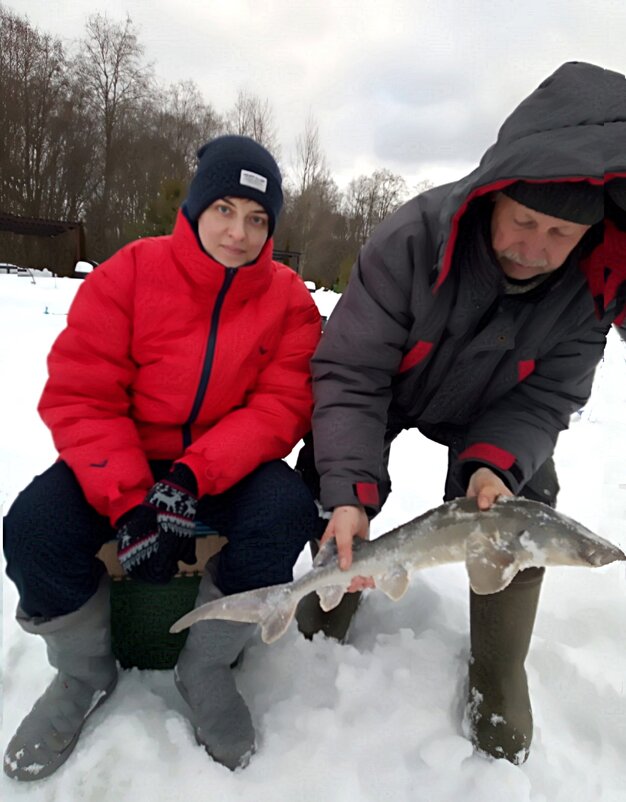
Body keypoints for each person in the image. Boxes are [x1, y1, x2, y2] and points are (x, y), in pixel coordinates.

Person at [309, 61, 625, 765]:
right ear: (494, 194)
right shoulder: (409, 240)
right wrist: (350, 495)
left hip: (491, 405)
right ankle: (325, 596)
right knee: (328, 474)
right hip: (391, 388)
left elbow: (545, 398)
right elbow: (352, 374)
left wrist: (492, 468)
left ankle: (497, 667)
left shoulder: (590, 292)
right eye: (524, 221)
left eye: (560, 236)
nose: (534, 249)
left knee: (528, 497)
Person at [3, 135, 323, 780]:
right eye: (226, 210)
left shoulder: (289, 301)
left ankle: (205, 665)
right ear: (197, 207)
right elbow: (82, 394)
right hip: (124, 456)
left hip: (219, 467)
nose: (239, 232)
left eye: (258, 219)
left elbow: (281, 407)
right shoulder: (131, 272)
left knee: (287, 510)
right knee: (34, 529)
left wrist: (189, 478)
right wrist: (128, 500)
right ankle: (81, 675)